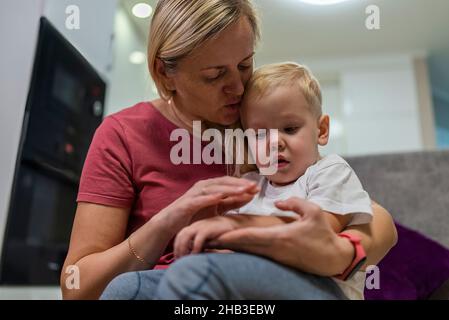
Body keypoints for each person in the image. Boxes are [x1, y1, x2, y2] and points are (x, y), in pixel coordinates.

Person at [60, 0, 397, 300]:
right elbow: (77, 288)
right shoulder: (124, 134)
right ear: (165, 72)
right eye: (214, 75)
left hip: (264, 282)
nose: (237, 87)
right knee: (127, 290)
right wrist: (166, 222)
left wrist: (339, 252)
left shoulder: (257, 122)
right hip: (168, 284)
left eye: (245, 65)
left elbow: (375, 220)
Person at [173, 62, 374, 300]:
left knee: (196, 275)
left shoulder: (329, 171)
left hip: (321, 289)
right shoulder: (250, 185)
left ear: (321, 130)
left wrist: (234, 228)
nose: (274, 142)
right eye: (259, 134)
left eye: (289, 128)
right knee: (129, 285)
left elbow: (314, 233)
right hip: (255, 289)